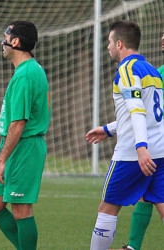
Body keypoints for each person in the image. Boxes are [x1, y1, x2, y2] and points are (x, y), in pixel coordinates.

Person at [85, 20, 164, 250]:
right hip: (159, 152)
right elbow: (151, 115)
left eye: (109, 42)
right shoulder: (152, 71)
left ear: (119, 44)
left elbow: (137, 112)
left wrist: (140, 148)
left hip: (133, 155)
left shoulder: (127, 70)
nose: (108, 46)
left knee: (107, 208)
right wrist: (108, 129)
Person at [0, 21, 50, 250]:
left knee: (21, 209)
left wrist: (1, 161)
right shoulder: (26, 70)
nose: (2, 42)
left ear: (15, 42)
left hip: (25, 147)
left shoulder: (26, 74)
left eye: (6, 36)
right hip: (16, 146)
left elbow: (19, 123)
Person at [116, 29, 164, 250]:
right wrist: (109, 129)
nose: (162, 39)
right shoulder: (158, 72)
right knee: (150, 194)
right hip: (158, 145)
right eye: (161, 34)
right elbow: (149, 114)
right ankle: (133, 247)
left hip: (155, 145)